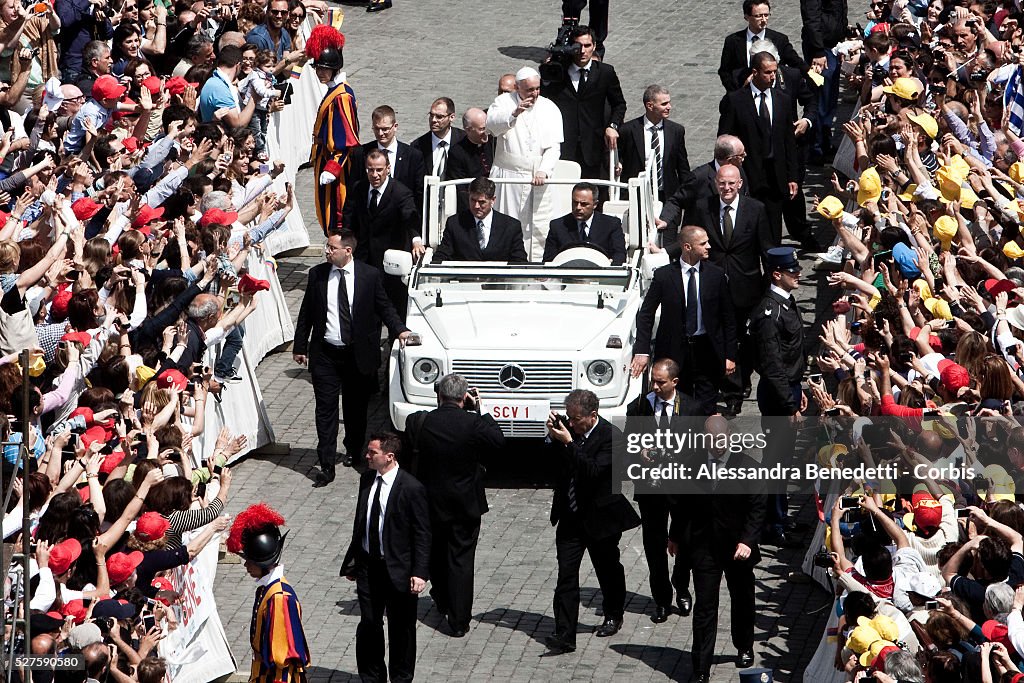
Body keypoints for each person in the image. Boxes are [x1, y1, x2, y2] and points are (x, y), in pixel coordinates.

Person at [292, 229, 410, 486]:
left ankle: (355, 450)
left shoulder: (369, 275)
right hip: (326, 354)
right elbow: (307, 313)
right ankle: (325, 463)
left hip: (357, 355)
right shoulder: (318, 275)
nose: (326, 251)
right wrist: (300, 346)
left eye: (331, 248)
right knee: (325, 410)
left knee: (356, 410)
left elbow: (385, 307)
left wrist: (400, 330)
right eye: (326, 247)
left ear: (348, 251)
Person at [543, 389, 641, 654]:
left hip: (601, 517)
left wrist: (568, 443)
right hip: (571, 517)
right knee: (566, 575)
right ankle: (565, 633)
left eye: (576, 420)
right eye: (569, 419)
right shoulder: (568, 431)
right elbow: (552, 466)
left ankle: (613, 612)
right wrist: (553, 439)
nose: (572, 424)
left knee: (607, 569)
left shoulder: (612, 437)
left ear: (592, 416)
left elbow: (594, 471)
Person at [671, 415, 766, 683]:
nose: (717, 444)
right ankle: (700, 666)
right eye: (712, 440)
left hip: (738, 549)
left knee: (743, 599)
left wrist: (748, 541)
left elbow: (758, 508)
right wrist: (675, 536)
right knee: (705, 607)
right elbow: (682, 505)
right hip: (704, 548)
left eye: (721, 439)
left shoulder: (747, 467)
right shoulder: (693, 465)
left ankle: (744, 645)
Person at [410, 374, 505, 637]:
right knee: (461, 560)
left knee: (437, 553)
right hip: (465, 503)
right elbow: (498, 441)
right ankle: (459, 620)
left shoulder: (421, 421)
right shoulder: (473, 423)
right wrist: (481, 409)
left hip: (431, 502)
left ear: (438, 396)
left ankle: (442, 599)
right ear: (464, 397)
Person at [681, 164, 774, 415]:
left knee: (747, 340)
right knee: (721, 338)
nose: (727, 188)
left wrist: (770, 288)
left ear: (740, 184)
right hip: (712, 288)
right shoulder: (703, 208)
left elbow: (766, 249)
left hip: (747, 287)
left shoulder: (755, 210)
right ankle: (731, 393)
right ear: (716, 183)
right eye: (722, 183)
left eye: (732, 183)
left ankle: (741, 381)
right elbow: (687, 240)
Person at [341, 433, 431, 682]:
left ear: (389, 457)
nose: (366, 456)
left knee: (401, 629)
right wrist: (354, 560)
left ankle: (401, 678)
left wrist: (420, 572)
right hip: (369, 566)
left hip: (399, 569)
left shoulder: (412, 488)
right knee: (369, 624)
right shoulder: (367, 479)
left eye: (372, 452)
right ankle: (372, 677)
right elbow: (362, 522)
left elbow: (423, 533)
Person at [631, 226, 738, 415]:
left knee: (707, 404)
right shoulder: (664, 276)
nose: (709, 247)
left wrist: (730, 354)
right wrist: (642, 350)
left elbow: (728, 317)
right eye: (703, 243)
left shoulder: (715, 275)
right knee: (678, 405)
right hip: (674, 351)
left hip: (707, 350)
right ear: (687, 247)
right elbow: (646, 314)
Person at [625, 358, 700, 623]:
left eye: (660, 382)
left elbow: (698, 450)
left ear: (674, 382)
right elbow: (628, 444)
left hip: (682, 489)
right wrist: (639, 453)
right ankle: (661, 599)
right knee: (654, 546)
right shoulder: (639, 407)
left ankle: (681, 585)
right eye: (652, 381)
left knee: (686, 543)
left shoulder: (692, 409)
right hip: (651, 489)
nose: (654, 387)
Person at [749, 246, 806, 546]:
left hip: (788, 389)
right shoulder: (769, 313)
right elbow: (771, 364)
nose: (798, 274)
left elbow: (791, 354)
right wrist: (789, 403)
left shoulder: (786, 302)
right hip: (777, 396)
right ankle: (772, 522)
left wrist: (799, 390)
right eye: (792, 271)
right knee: (776, 461)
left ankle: (779, 516)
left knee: (783, 461)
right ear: (777, 274)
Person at [717, 51, 799, 246]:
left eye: (774, 72)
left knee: (773, 231)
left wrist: (792, 176)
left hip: (776, 176)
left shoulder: (783, 99)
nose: (773, 77)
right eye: (768, 73)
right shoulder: (736, 100)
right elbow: (724, 139)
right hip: (747, 175)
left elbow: (788, 141)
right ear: (755, 72)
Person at [486, 66, 564, 262]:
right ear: (518, 87)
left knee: (537, 226)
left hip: (537, 177)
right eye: (530, 89)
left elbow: (554, 147)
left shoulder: (549, 107)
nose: (535, 93)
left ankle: (537, 265)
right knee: (508, 223)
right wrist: (514, 114)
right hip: (509, 177)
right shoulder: (503, 102)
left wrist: (544, 170)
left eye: (537, 88)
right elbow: (492, 127)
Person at [226, 503, 311, 683]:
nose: (246, 565)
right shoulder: (268, 589)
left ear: (262, 563)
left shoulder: (279, 598)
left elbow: (283, 658)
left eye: (249, 561)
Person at [540, 24, 626, 182]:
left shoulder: (605, 72)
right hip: (563, 144)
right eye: (578, 46)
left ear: (594, 46)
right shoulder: (558, 71)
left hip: (594, 146)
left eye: (587, 45)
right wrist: (547, 72)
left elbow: (619, 104)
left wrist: (613, 126)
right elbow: (542, 100)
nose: (582, 51)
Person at [343, 149, 420, 320]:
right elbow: (348, 218)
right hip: (364, 260)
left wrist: (416, 239)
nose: (375, 174)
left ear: (388, 169)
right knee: (366, 311)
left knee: (393, 309)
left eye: (379, 169)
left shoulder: (401, 192)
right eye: (370, 169)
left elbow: (410, 217)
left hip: (390, 263)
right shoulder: (358, 188)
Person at [307, 25, 358, 235]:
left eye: (324, 69)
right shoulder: (333, 91)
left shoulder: (341, 96)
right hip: (324, 158)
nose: (320, 72)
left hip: (334, 164)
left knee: (336, 214)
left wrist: (333, 168)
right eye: (318, 68)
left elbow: (346, 138)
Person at [617, 84, 696, 204]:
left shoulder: (676, 131)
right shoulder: (628, 130)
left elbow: (682, 166)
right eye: (664, 104)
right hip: (637, 195)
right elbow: (616, 157)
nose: (669, 107)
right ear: (650, 105)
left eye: (669, 102)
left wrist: (686, 195)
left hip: (667, 195)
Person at [658, 135, 750, 232]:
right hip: (702, 237)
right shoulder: (699, 177)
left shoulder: (739, 172)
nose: (744, 157)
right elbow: (676, 200)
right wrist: (664, 220)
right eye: (742, 155)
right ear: (730, 160)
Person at [349, 105, 426, 212]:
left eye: (385, 129)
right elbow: (352, 192)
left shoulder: (413, 156)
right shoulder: (360, 153)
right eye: (376, 129)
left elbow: (419, 194)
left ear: (395, 126)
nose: (380, 133)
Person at [433, 176, 528, 263]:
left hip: (498, 281)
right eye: (473, 200)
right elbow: (441, 256)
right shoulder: (455, 224)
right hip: (464, 280)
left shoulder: (510, 227)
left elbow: (519, 262)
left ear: (493, 200)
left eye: (482, 202)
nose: (476, 206)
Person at [718, 0, 806, 92]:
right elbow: (725, 71)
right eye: (758, 16)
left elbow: (797, 63)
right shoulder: (733, 41)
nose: (764, 20)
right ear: (747, 17)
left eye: (766, 15)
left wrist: (817, 78)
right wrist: (737, 93)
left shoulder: (780, 40)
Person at [800, 0, 848, 163]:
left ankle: (824, 142)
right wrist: (818, 50)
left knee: (830, 100)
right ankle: (815, 148)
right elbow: (811, 18)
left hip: (833, 45)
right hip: (821, 50)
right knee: (821, 99)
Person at [542, 182, 625, 264]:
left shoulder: (611, 225)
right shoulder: (558, 226)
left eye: (584, 204)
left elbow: (619, 255)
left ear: (595, 204)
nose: (578, 207)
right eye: (575, 202)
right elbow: (549, 261)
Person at [446, 108, 495, 212]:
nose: (486, 132)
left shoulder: (493, 141)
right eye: (482, 129)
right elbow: (461, 188)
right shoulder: (457, 152)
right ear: (468, 129)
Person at [412, 97, 466, 181]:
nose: (433, 120)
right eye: (431, 115)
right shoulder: (418, 145)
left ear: (451, 117)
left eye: (439, 117)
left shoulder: (463, 140)